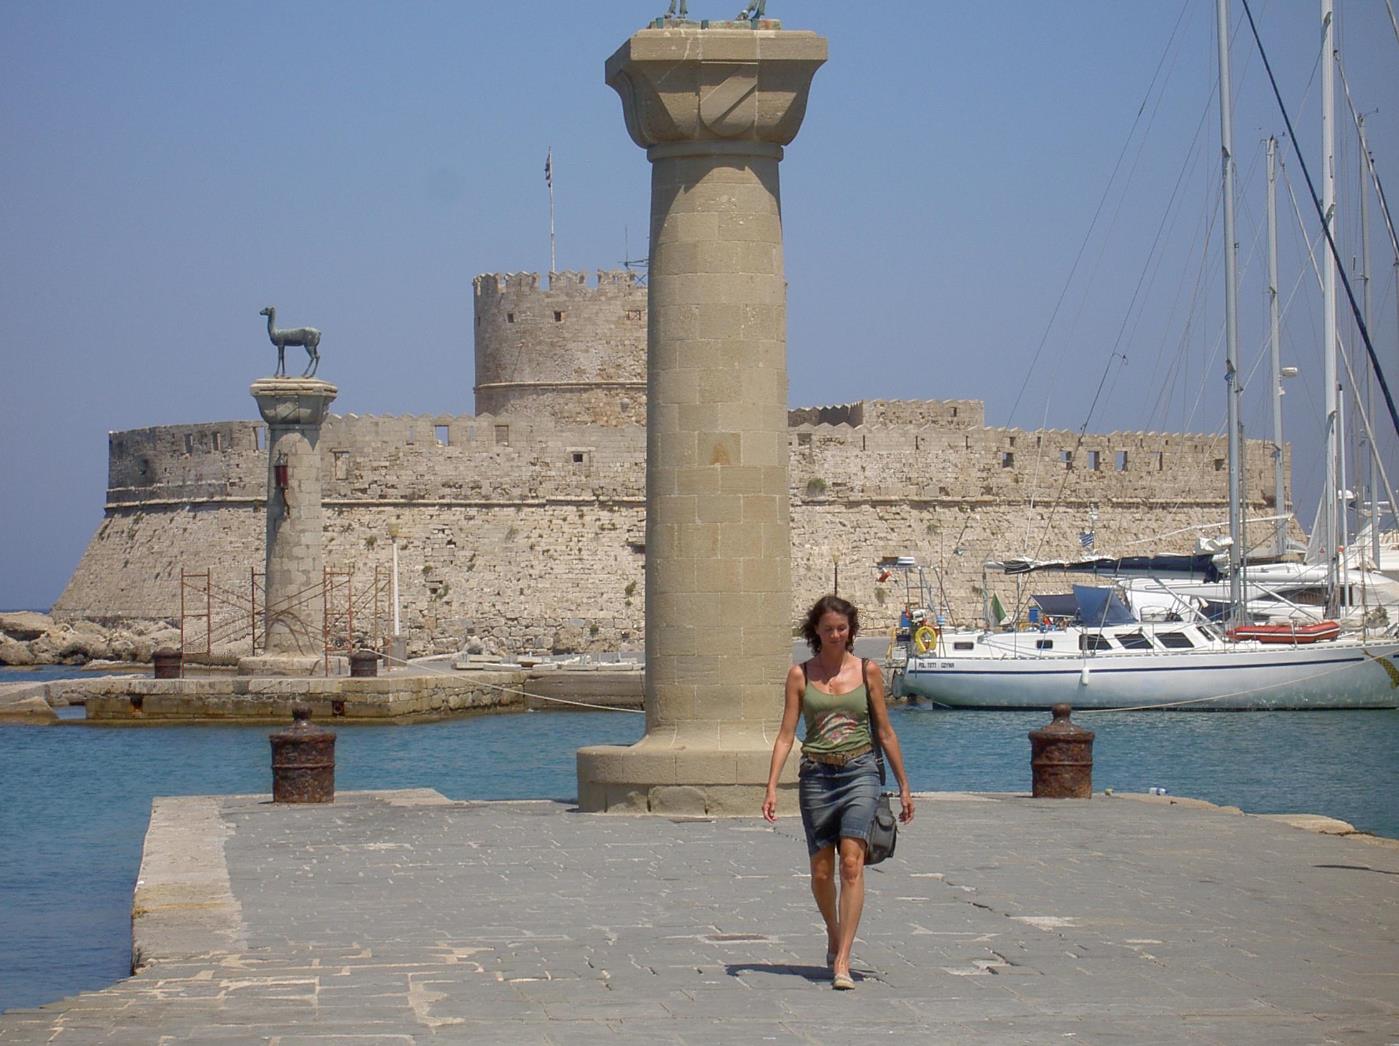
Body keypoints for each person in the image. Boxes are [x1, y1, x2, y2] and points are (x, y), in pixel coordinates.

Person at [762, 595, 914, 990]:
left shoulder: (867, 671)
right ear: (816, 630)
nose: (835, 635)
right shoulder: (800, 675)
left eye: (842, 628)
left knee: (850, 862)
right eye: (828, 629)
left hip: (860, 771)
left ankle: (844, 958)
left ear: (851, 631)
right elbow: (786, 735)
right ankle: (833, 932)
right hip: (816, 775)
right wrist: (772, 786)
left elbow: (885, 731)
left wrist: (904, 785)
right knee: (821, 871)